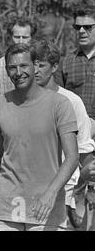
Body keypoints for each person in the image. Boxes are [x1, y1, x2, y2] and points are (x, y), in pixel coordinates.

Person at [0, 43, 79, 231]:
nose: (18, 72)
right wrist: (0, 186)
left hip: (46, 207)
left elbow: (72, 158)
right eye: (12, 67)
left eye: (23, 66)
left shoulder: (60, 104)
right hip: (4, 206)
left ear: (35, 66)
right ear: (6, 70)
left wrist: (51, 193)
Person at [33, 39, 95, 229]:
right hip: (27, 187)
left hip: (64, 190)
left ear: (54, 67)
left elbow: (84, 150)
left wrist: (84, 183)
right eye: (32, 64)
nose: (35, 70)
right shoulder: (20, 100)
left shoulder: (71, 102)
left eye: (41, 65)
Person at [0, 17, 37, 94]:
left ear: (32, 38)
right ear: (10, 37)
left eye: (25, 37)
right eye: (17, 37)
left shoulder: (40, 62)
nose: (21, 41)